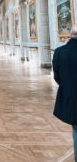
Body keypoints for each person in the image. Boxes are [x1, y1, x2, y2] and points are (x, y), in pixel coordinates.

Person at [52, 24, 77, 161]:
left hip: (72, 98)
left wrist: (68, 87)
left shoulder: (60, 52)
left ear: (70, 34)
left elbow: (57, 76)